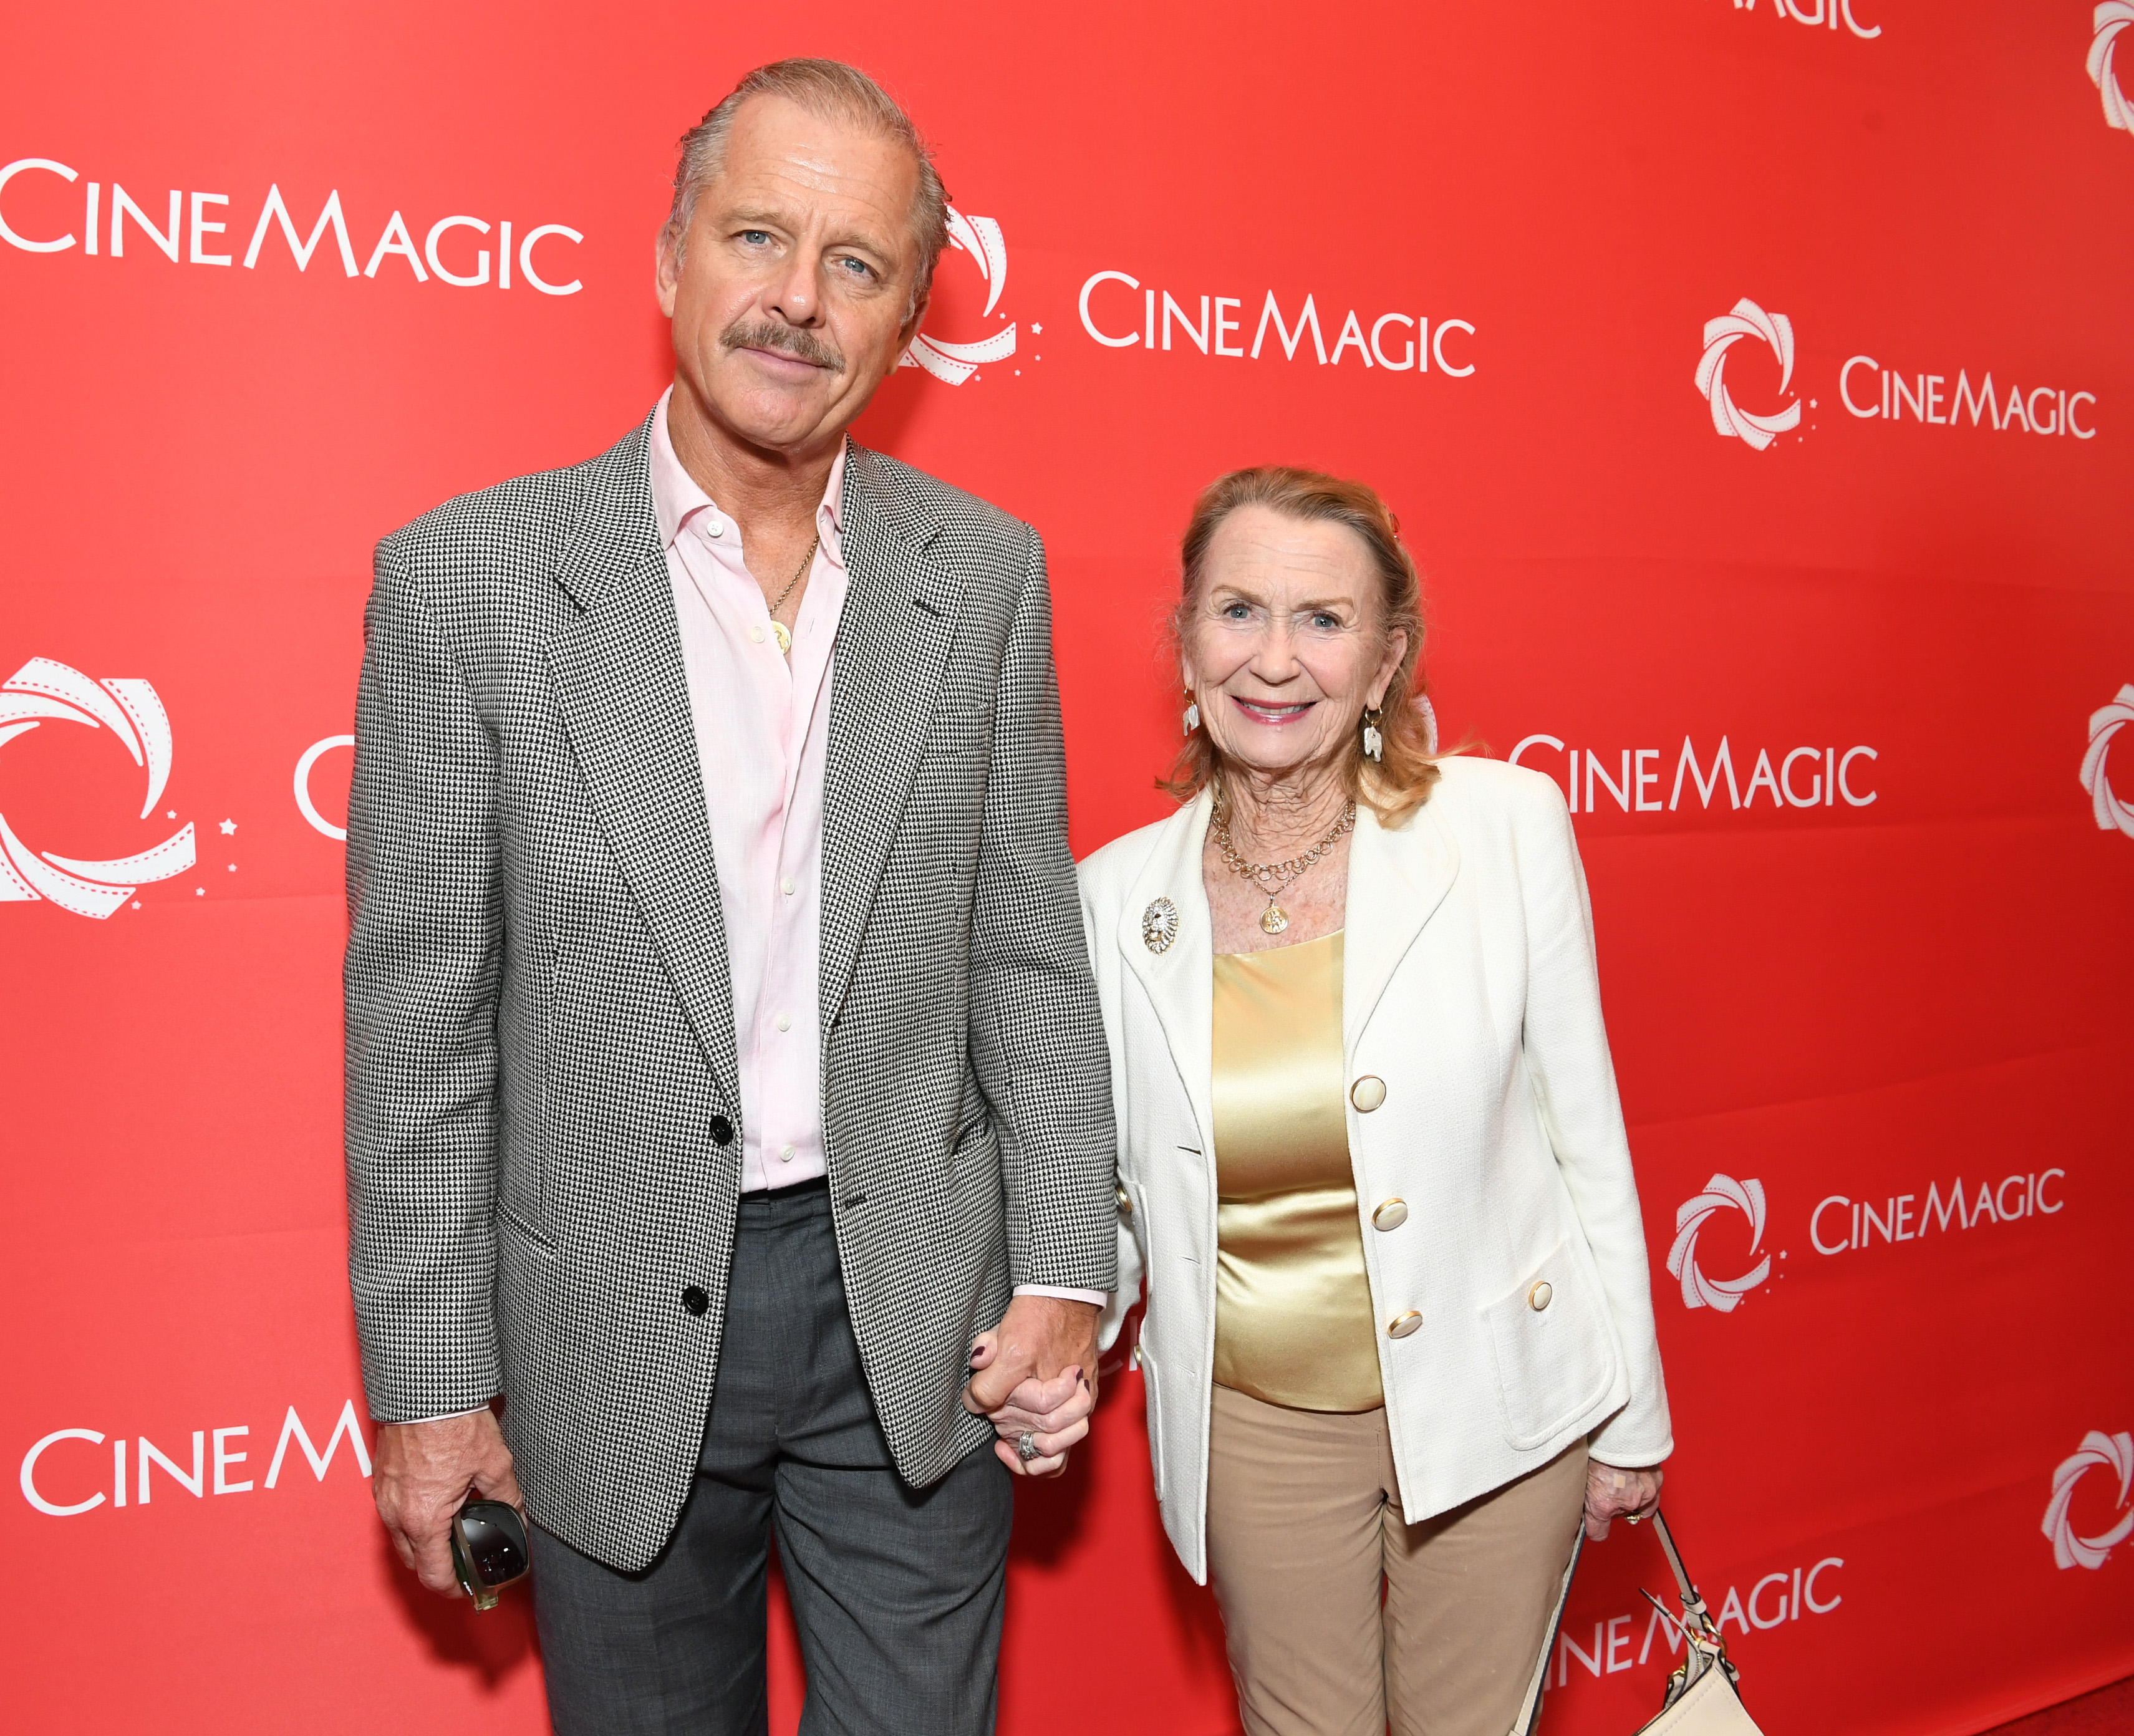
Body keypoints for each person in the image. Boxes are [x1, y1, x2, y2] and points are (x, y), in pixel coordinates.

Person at [344, 59, 1112, 1736]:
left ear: (909, 321)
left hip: (914, 1324)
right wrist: (422, 1378)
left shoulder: (979, 573)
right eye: (756, 235)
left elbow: (1027, 965)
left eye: (857, 265)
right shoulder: (467, 577)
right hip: (601, 1335)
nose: (795, 299)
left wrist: (1066, 1265)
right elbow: (419, 1033)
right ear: (668, 261)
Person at [1068, 467, 1673, 1736]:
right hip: (1254, 1426)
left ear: (1387, 658)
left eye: (1324, 621)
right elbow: (1123, 1192)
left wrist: (1631, 1418)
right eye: (1237, 611)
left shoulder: (1503, 826)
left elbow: (1587, 1139)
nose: (1274, 660)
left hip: (1499, 1401)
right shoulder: (1112, 896)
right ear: (1184, 637)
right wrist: (1060, 1329)